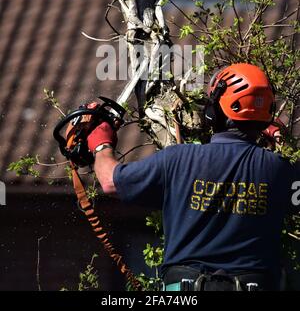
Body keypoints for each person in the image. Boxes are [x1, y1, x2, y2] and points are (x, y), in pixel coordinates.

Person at [86, 63, 300, 291]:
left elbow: (110, 181)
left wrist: (101, 144)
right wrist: (281, 139)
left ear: (214, 112)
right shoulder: (281, 171)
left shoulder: (178, 160)